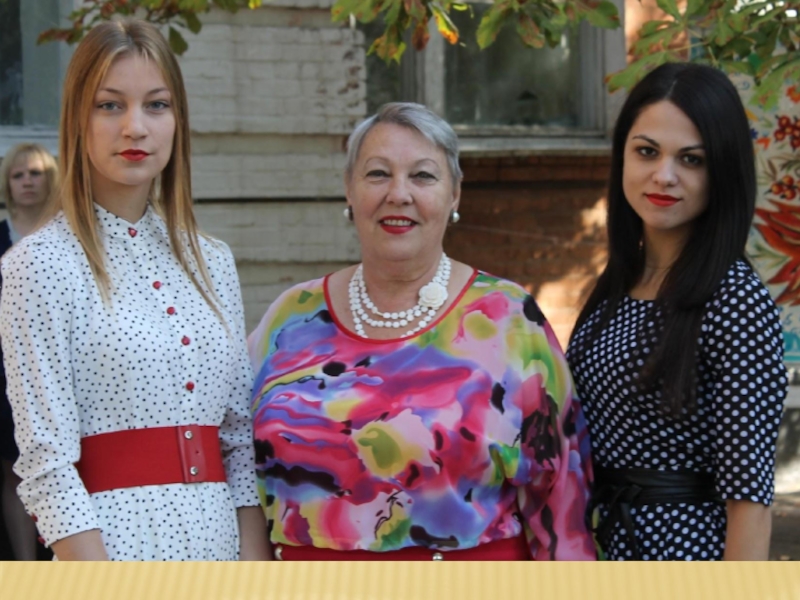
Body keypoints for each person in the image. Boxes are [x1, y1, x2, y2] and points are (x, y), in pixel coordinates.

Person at [248, 102, 595, 560]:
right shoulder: (290, 318)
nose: (398, 194)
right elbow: (238, 469)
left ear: (454, 195)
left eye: (423, 176)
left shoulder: (507, 319)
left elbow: (562, 498)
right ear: (349, 189)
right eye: (377, 174)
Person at [0, 20, 269, 561]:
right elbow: (46, 464)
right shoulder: (39, 263)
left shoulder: (213, 261)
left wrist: (255, 575)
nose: (135, 127)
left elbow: (239, 445)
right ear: (77, 119)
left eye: (156, 105)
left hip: (222, 549)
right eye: (110, 105)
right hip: (114, 550)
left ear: (177, 120)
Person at [566, 62, 787, 561]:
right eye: (647, 151)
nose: (664, 176)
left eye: (691, 159)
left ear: (721, 171)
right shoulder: (621, 284)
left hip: (685, 555)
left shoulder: (733, 299)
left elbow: (749, 501)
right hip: (604, 546)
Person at [0, 142, 58, 560]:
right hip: (4, 373)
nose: (27, 182)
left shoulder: (70, 235)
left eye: (35, 173)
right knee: (15, 471)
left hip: (62, 369)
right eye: (18, 175)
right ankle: (25, 570)